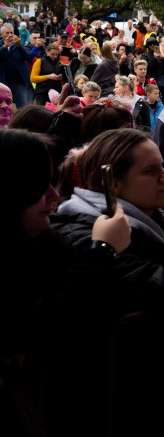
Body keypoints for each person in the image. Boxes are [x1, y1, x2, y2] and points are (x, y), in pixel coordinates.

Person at [0, 129, 132, 436]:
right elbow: (46, 322)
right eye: (37, 187)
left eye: (51, 182)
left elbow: (105, 303)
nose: (54, 195)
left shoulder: (47, 242)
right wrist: (102, 251)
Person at [0, 22, 33, 108]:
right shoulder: (1, 45)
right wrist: (4, 47)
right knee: (3, 106)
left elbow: (28, 58)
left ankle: (20, 121)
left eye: (11, 32)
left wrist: (19, 46)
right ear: (1, 34)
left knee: (22, 106)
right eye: (7, 33)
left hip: (18, 80)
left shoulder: (18, 44)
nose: (10, 35)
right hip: (3, 81)